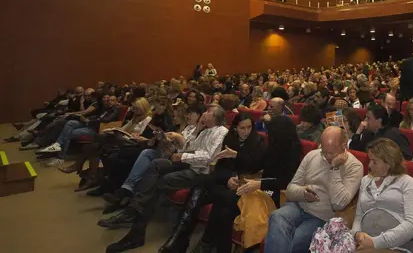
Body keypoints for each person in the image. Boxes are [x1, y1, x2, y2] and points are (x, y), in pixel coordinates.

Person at [159, 114, 299, 253]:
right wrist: (236, 155)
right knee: (219, 205)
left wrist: (258, 184)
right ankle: (205, 244)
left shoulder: (291, 152)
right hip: (253, 185)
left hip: (273, 194)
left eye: (272, 132)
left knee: (218, 197)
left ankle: (199, 243)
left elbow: (285, 181)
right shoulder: (272, 147)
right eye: (242, 127)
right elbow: (255, 165)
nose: (269, 135)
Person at [100, 108, 229, 252]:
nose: (204, 113)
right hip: (187, 164)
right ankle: (135, 209)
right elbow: (188, 148)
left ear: (216, 116)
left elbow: (209, 157)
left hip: (199, 173)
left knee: (158, 183)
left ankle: (135, 226)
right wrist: (185, 140)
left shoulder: (222, 131)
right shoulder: (204, 130)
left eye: (208, 112)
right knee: (156, 164)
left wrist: (183, 156)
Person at [265, 126, 364, 253]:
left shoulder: (355, 166)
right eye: (324, 151)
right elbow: (290, 189)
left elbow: (338, 204)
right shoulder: (312, 155)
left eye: (331, 153)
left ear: (344, 145)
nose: (327, 156)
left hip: (321, 217)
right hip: (297, 206)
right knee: (276, 216)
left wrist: (334, 169)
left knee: (295, 241)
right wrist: (303, 194)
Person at [351, 138, 413, 251]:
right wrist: (357, 234)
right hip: (365, 244)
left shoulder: (406, 182)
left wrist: (375, 242)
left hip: (395, 247)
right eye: (370, 160)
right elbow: (358, 216)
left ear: (389, 163)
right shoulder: (365, 181)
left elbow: (412, 226)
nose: (369, 165)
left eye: (374, 162)